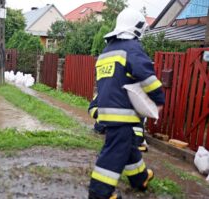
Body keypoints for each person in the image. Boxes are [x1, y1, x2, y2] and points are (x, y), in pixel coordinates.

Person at [88, 8, 165, 199]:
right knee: (114, 152)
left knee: (128, 146)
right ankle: (100, 192)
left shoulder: (107, 51)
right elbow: (147, 77)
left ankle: (140, 178)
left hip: (107, 111)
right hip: (123, 112)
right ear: (137, 28)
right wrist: (158, 99)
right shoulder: (131, 48)